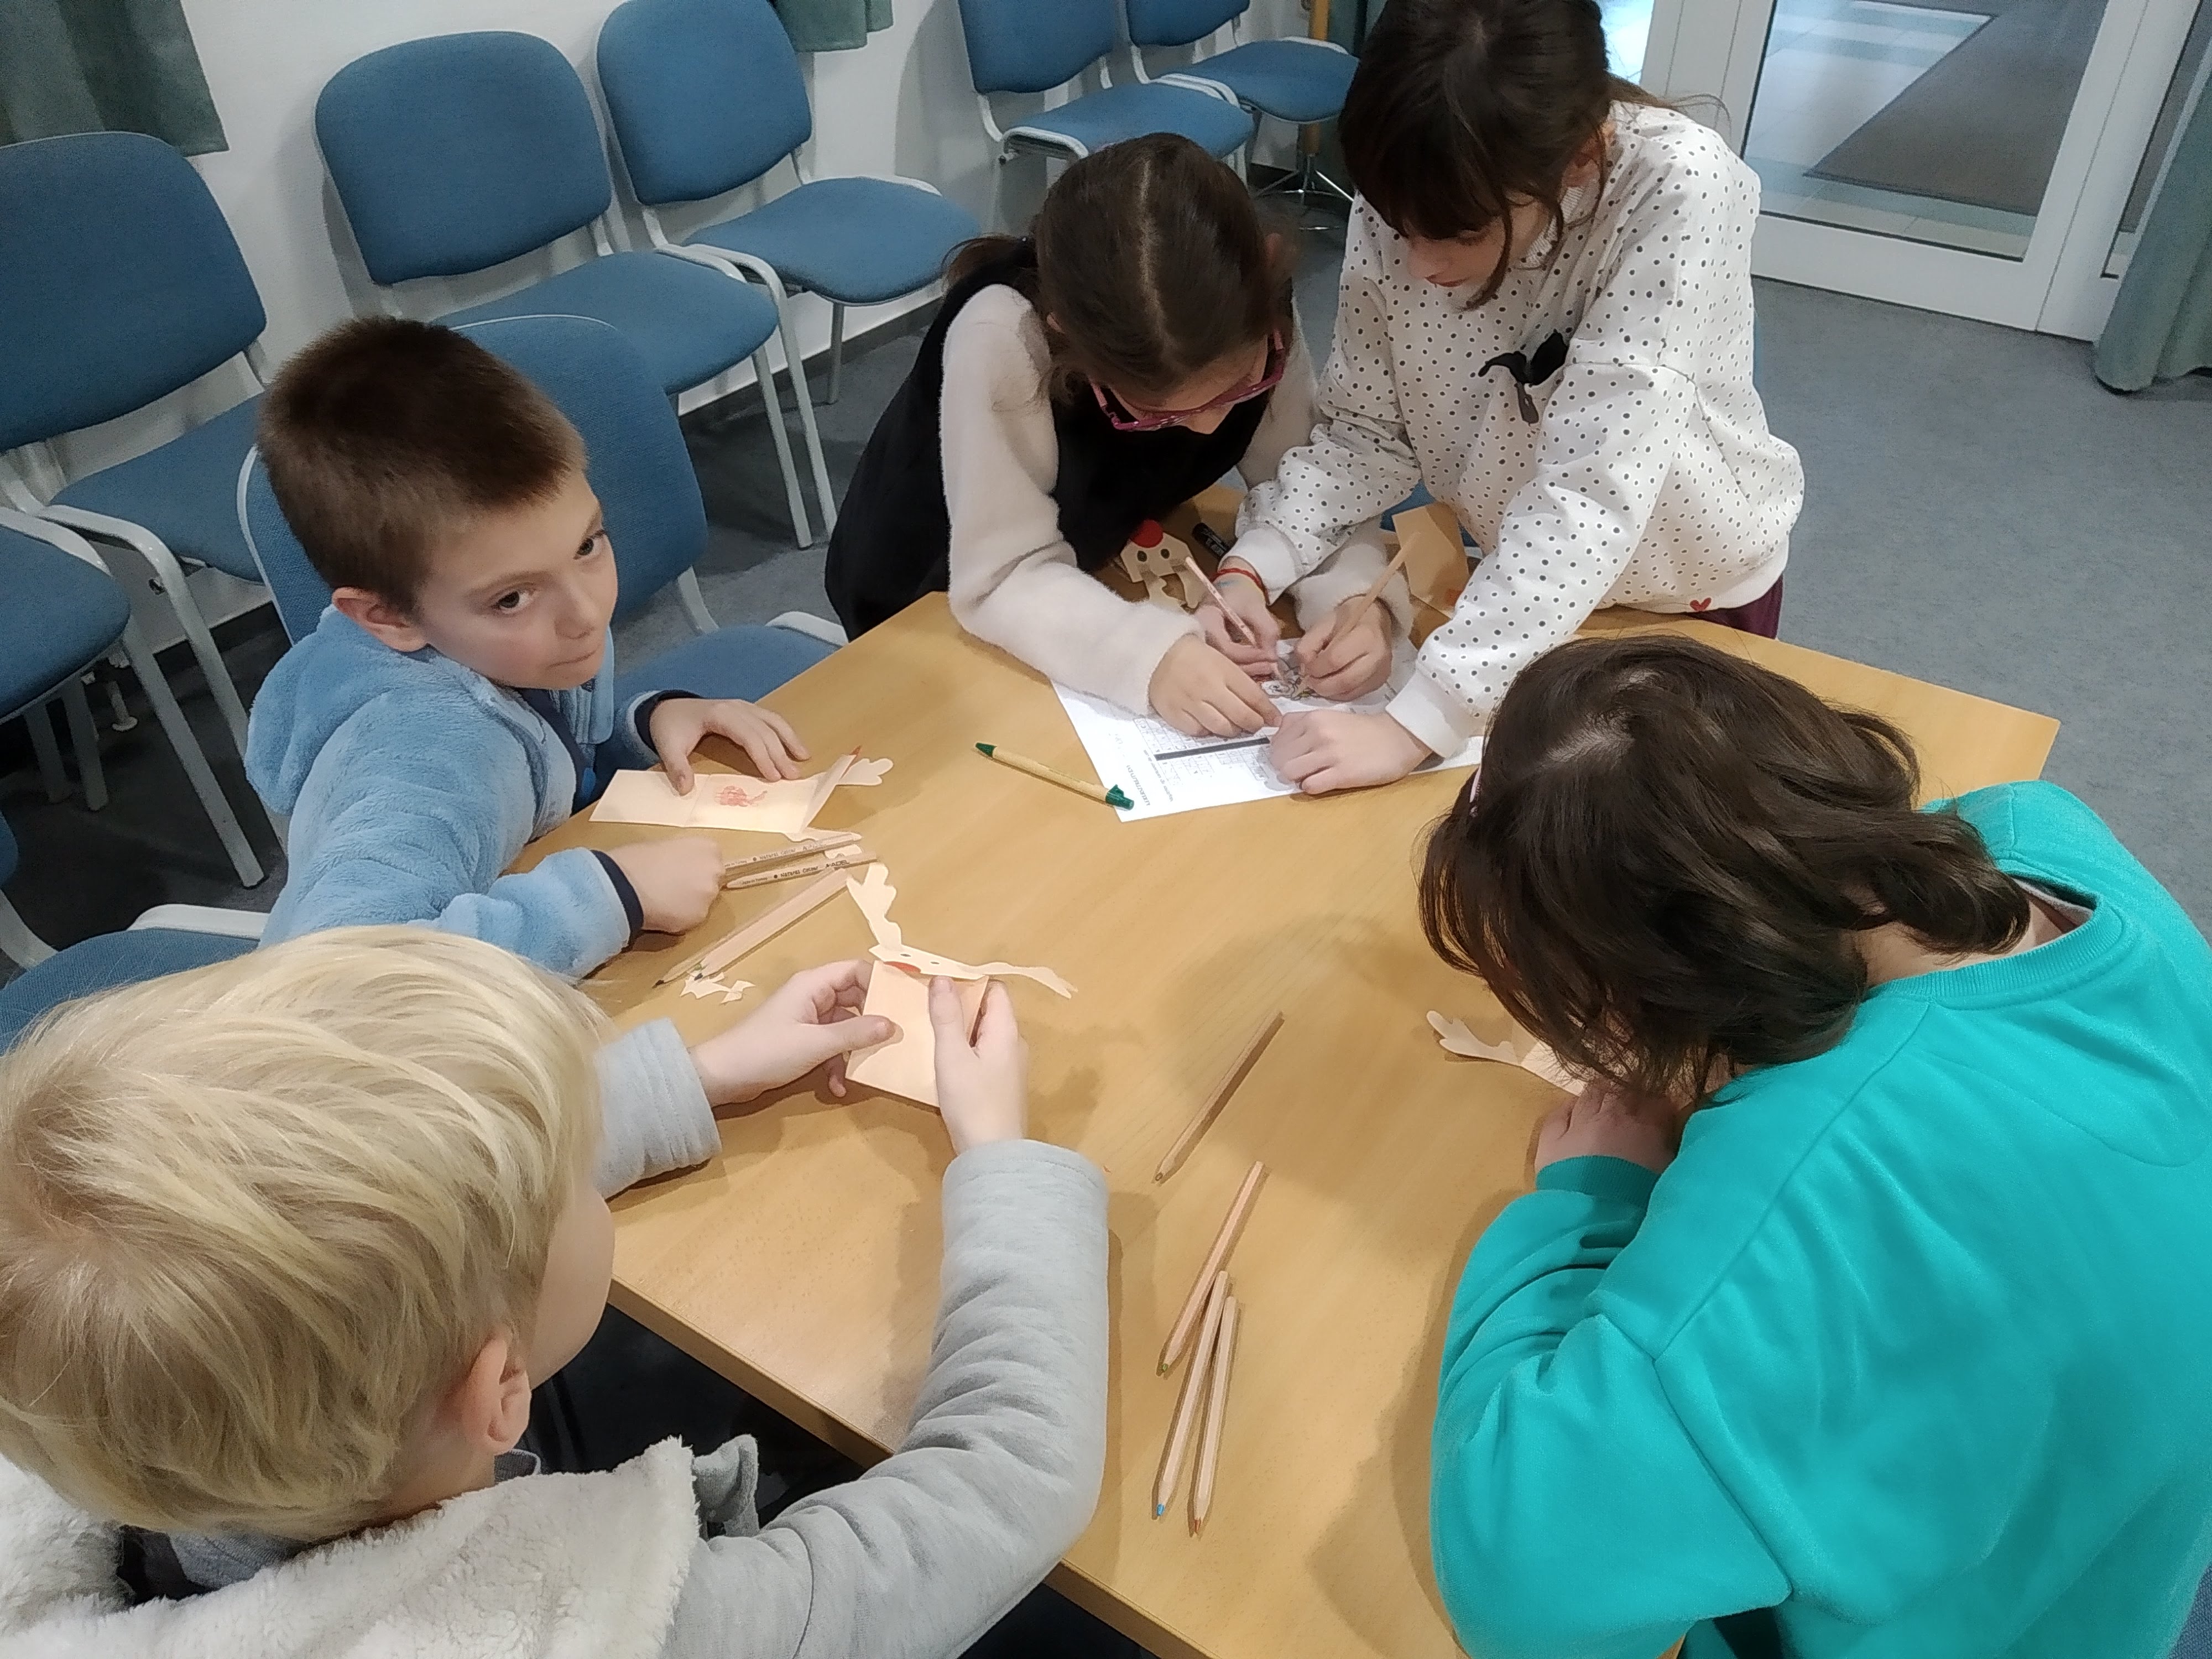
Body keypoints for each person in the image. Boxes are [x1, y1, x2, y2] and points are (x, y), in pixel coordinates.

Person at [1417, 633, 2212, 1659]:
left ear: (1657, 996)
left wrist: (1591, 1203)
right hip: (2115, 1566)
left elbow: (1522, 1589)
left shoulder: (1816, 1170)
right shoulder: (2042, 831)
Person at [0, 928, 1108, 1656]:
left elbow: (433, 1230)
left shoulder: (108, 1399)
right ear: (500, 1390)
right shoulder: (632, 1627)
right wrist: (1005, 1162)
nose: (583, 1170)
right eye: (569, 1175)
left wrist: (699, 1075)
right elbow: (1009, 1476)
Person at [1213, 0, 1804, 794]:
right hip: (1520, 590)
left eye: (1460, 235)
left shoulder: (1677, 186)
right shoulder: (1418, 180)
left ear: (1580, 159)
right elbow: (1368, 435)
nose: (1418, 265)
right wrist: (1255, 566)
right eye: (1396, 226)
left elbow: (1589, 492)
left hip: (1682, 598)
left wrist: (1413, 726)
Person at [246, 318, 830, 978]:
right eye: (511, 599)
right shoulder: (425, 759)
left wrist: (646, 723)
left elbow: (549, 753)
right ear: (388, 617)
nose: (586, 615)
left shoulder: (519, 646)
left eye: (587, 545)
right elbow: (344, 982)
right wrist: (609, 899)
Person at [826, 133, 1410, 739]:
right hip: (931, 588)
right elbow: (1001, 575)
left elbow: (1310, 485)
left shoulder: (1251, 304)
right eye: (1153, 413)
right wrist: (1155, 659)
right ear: (1067, 341)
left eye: (1238, 387)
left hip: (1088, 550)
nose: (1209, 425)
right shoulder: (1002, 338)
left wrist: (1354, 600)